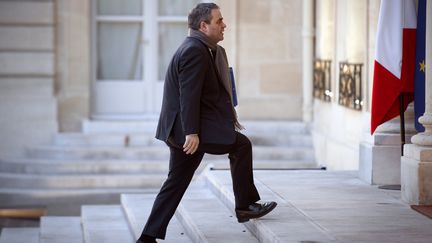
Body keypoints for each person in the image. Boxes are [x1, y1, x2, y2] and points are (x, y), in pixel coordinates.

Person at [137, 3, 276, 243]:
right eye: (219, 21)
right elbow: (187, 95)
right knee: (241, 145)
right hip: (187, 131)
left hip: (184, 129)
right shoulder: (195, 51)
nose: (224, 25)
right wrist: (192, 133)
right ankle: (245, 206)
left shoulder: (202, 48)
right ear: (203, 26)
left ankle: (147, 238)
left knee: (175, 182)